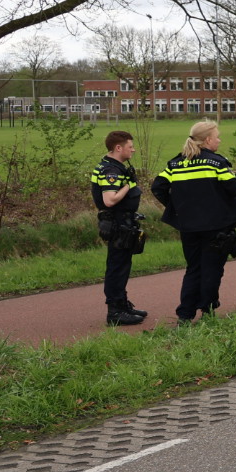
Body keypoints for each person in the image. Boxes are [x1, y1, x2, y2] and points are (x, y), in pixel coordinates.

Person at [151, 121, 236, 324]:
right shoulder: (217, 163)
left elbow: (158, 187)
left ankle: (185, 314)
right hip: (216, 226)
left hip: (189, 226)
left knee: (193, 268)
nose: (219, 140)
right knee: (212, 268)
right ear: (208, 140)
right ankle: (207, 312)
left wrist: (177, 208)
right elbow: (235, 188)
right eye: (217, 136)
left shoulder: (176, 163)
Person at [90, 130, 147, 326]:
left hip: (123, 222)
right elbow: (110, 199)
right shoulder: (111, 171)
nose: (133, 150)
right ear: (118, 148)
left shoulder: (113, 166)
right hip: (118, 224)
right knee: (117, 267)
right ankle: (115, 311)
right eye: (130, 146)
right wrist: (129, 185)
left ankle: (123, 305)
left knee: (122, 265)